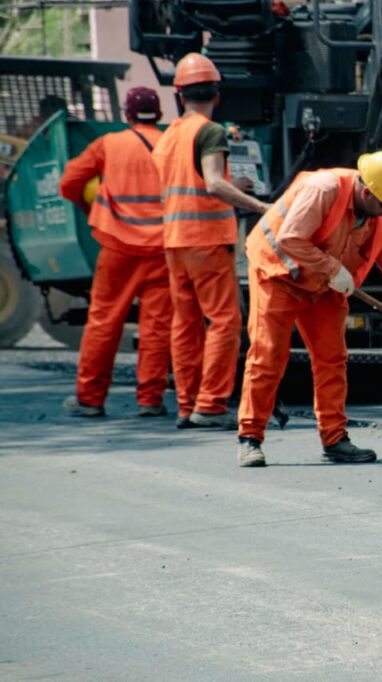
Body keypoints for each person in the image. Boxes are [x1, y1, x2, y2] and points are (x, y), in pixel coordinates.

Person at [235, 151, 382, 467]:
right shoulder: (324, 189)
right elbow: (290, 238)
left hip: (323, 286)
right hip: (278, 273)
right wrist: (333, 269)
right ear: (366, 193)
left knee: (332, 359)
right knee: (268, 356)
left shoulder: (380, 217)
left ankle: (335, 439)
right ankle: (250, 438)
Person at [150, 53, 272, 429]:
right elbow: (213, 183)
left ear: (179, 94)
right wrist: (260, 206)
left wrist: (232, 186)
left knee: (185, 325)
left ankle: (187, 405)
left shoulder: (168, 135)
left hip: (175, 242)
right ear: (216, 95)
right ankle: (211, 405)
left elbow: (189, 182)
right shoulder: (211, 131)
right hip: (207, 241)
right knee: (223, 322)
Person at [58, 87, 171, 418]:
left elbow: (68, 183)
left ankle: (90, 399)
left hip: (117, 246)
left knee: (104, 321)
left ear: (127, 115)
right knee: (157, 326)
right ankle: (150, 399)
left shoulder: (109, 144)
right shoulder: (171, 143)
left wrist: (92, 210)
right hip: (163, 248)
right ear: (159, 114)